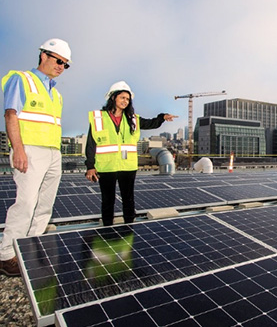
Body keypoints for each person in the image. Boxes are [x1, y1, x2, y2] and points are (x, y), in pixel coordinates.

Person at [0, 38, 72, 277]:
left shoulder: (56, 94)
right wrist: (17, 148)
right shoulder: (21, 79)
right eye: (58, 60)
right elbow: (11, 115)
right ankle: (7, 255)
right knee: (26, 203)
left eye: (66, 64)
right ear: (44, 55)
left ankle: (30, 247)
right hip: (30, 150)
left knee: (44, 205)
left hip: (53, 153)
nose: (61, 66)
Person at [85, 81, 177, 226]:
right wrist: (90, 166)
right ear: (113, 98)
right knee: (107, 200)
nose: (125, 101)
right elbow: (91, 144)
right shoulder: (99, 119)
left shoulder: (133, 119)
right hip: (106, 166)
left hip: (127, 166)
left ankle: (129, 226)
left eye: (127, 99)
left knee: (128, 199)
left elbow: (151, 123)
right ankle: (107, 228)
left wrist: (162, 117)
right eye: (122, 97)